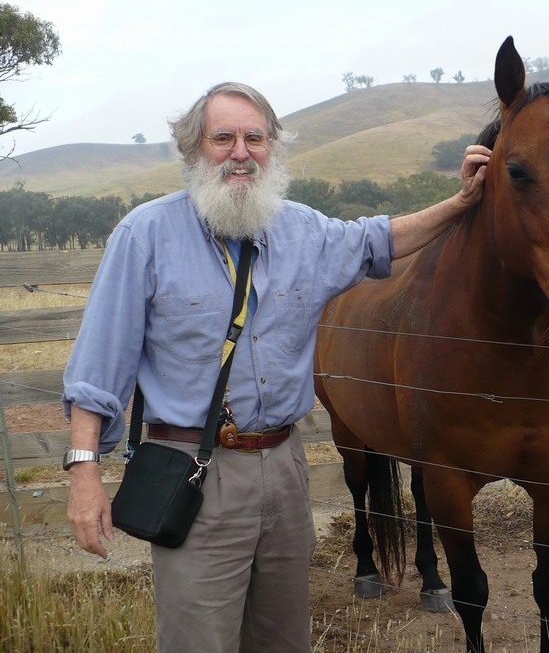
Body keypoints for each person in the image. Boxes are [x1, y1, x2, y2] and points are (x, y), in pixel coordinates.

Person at [62, 81, 490, 653]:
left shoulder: (303, 231)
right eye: (224, 138)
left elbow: (379, 239)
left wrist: (460, 202)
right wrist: (84, 475)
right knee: (199, 642)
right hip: (194, 470)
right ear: (194, 151)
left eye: (255, 138)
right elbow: (97, 368)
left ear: (272, 148)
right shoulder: (146, 235)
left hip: (285, 472)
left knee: (283, 640)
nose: (241, 152)